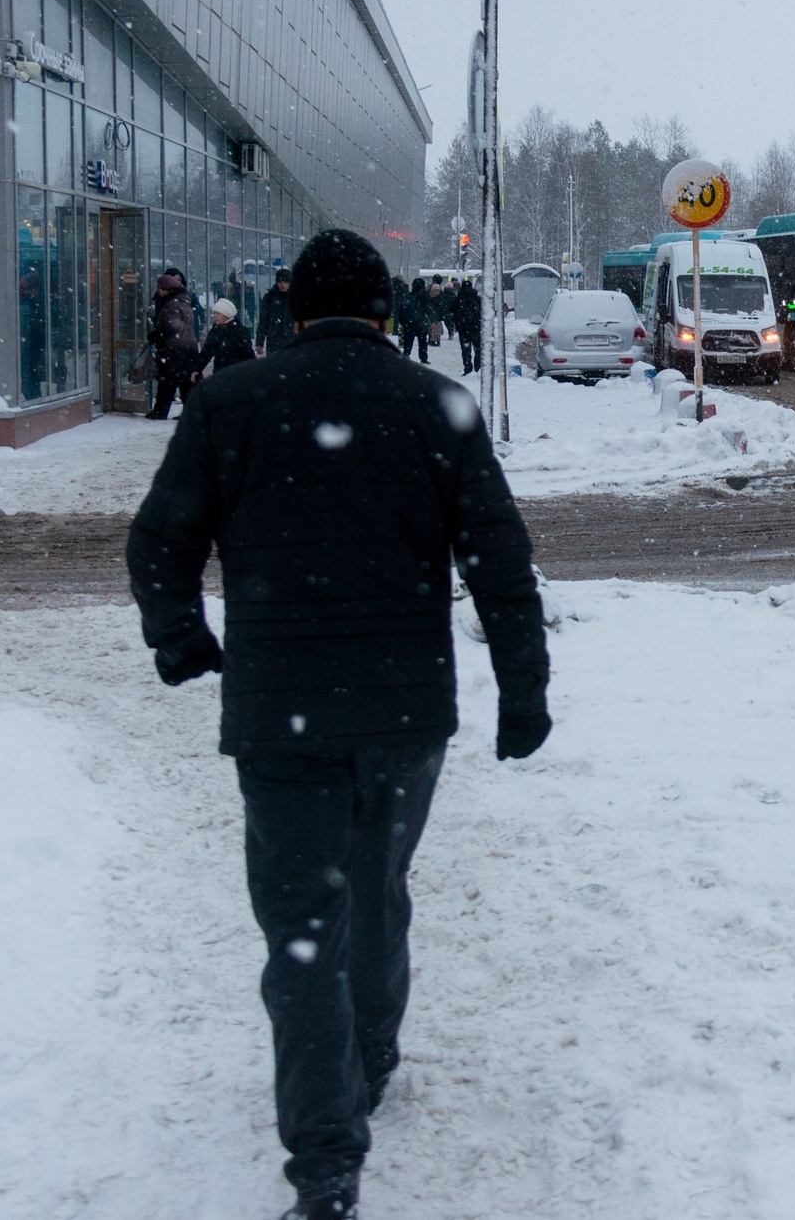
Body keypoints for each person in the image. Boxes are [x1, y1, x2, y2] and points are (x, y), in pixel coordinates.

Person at [128, 228, 550, 1220]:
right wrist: (523, 690)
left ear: (294, 309)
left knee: (301, 928)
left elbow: (158, 541)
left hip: (280, 711)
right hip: (405, 709)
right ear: (386, 313)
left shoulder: (230, 403)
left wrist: (182, 639)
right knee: (377, 883)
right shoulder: (433, 405)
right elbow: (500, 559)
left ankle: (325, 1166)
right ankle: (368, 1055)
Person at [149, 268, 200, 421]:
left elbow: (170, 328)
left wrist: (155, 335)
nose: (160, 292)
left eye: (162, 289)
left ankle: (160, 411)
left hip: (175, 349)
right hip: (185, 347)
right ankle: (190, 412)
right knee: (185, 383)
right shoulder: (183, 301)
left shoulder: (172, 305)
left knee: (168, 382)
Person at [195, 297, 255, 379]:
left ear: (226, 314)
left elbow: (248, 354)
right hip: (219, 374)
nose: (214, 316)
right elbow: (207, 351)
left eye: (218, 313)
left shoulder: (239, 331)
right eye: (214, 313)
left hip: (236, 375)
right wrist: (197, 369)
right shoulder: (215, 330)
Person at [256, 267, 297, 357]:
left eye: (285, 282)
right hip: (275, 340)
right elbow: (263, 320)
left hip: (291, 339)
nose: (283, 285)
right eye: (280, 282)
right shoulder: (270, 298)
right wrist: (260, 342)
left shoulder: (296, 298)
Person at [453, 277, 483, 376]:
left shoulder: (458, 299)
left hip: (463, 327)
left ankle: (467, 368)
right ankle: (478, 368)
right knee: (478, 349)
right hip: (476, 327)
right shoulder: (477, 298)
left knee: (466, 349)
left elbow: (451, 309)